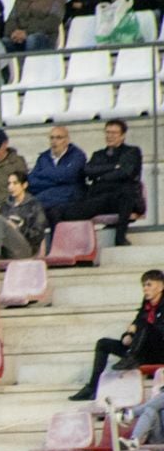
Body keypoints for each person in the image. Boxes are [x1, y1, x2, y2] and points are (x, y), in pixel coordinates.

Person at [71, 270, 164, 399]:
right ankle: (93, 387)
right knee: (103, 344)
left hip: (158, 352)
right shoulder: (146, 305)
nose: (145, 289)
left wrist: (139, 328)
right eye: (143, 285)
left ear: (161, 287)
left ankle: (132, 357)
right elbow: (135, 324)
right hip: (141, 351)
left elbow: (153, 329)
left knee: (145, 325)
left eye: (149, 285)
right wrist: (128, 335)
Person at [49, 120, 144, 245]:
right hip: (100, 199)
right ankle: (59, 247)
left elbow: (125, 173)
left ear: (123, 135)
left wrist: (100, 176)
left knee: (126, 192)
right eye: (108, 132)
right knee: (56, 211)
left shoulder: (132, 152)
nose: (110, 136)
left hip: (122, 198)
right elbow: (88, 171)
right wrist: (114, 167)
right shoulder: (98, 154)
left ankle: (120, 237)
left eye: (114, 133)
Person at [0, 171, 47, 262]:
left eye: (15, 183)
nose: (11, 187)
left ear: (24, 185)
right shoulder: (4, 205)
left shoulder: (34, 205)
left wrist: (18, 227)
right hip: (4, 248)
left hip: (25, 248)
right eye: (9, 184)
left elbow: (38, 234)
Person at [29, 125, 87, 212]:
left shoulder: (77, 155)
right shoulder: (43, 157)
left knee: (33, 204)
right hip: (46, 193)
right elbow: (31, 180)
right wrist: (56, 182)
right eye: (51, 138)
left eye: (58, 138)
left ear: (67, 140)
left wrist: (44, 173)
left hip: (70, 196)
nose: (54, 141)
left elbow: (69, 175)